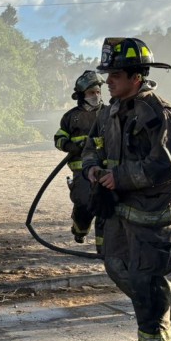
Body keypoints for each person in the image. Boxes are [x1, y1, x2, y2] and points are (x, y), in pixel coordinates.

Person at [80, 37, 171, 341]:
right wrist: (92, 169)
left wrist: (120, 177)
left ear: (136, 77)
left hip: (152, 210)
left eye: (115, 75)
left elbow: (167, 164)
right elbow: (93, 147)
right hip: (117, 207)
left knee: (146, 277)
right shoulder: (111, 111)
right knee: (116, 266)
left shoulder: (160, 114)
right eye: (108, 75)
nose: (107, 81)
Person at [54, 70, 105, 250]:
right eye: (91, 93)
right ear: (82, 95)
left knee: (105, 208)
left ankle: (103, 249)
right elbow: (59, 138)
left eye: (98, 92)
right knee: (84, 203)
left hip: (105, 169)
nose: (96, 96)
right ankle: (80, 230)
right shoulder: (71, 117)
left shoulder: (108, 113)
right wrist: (70, 146)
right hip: (80, 170)